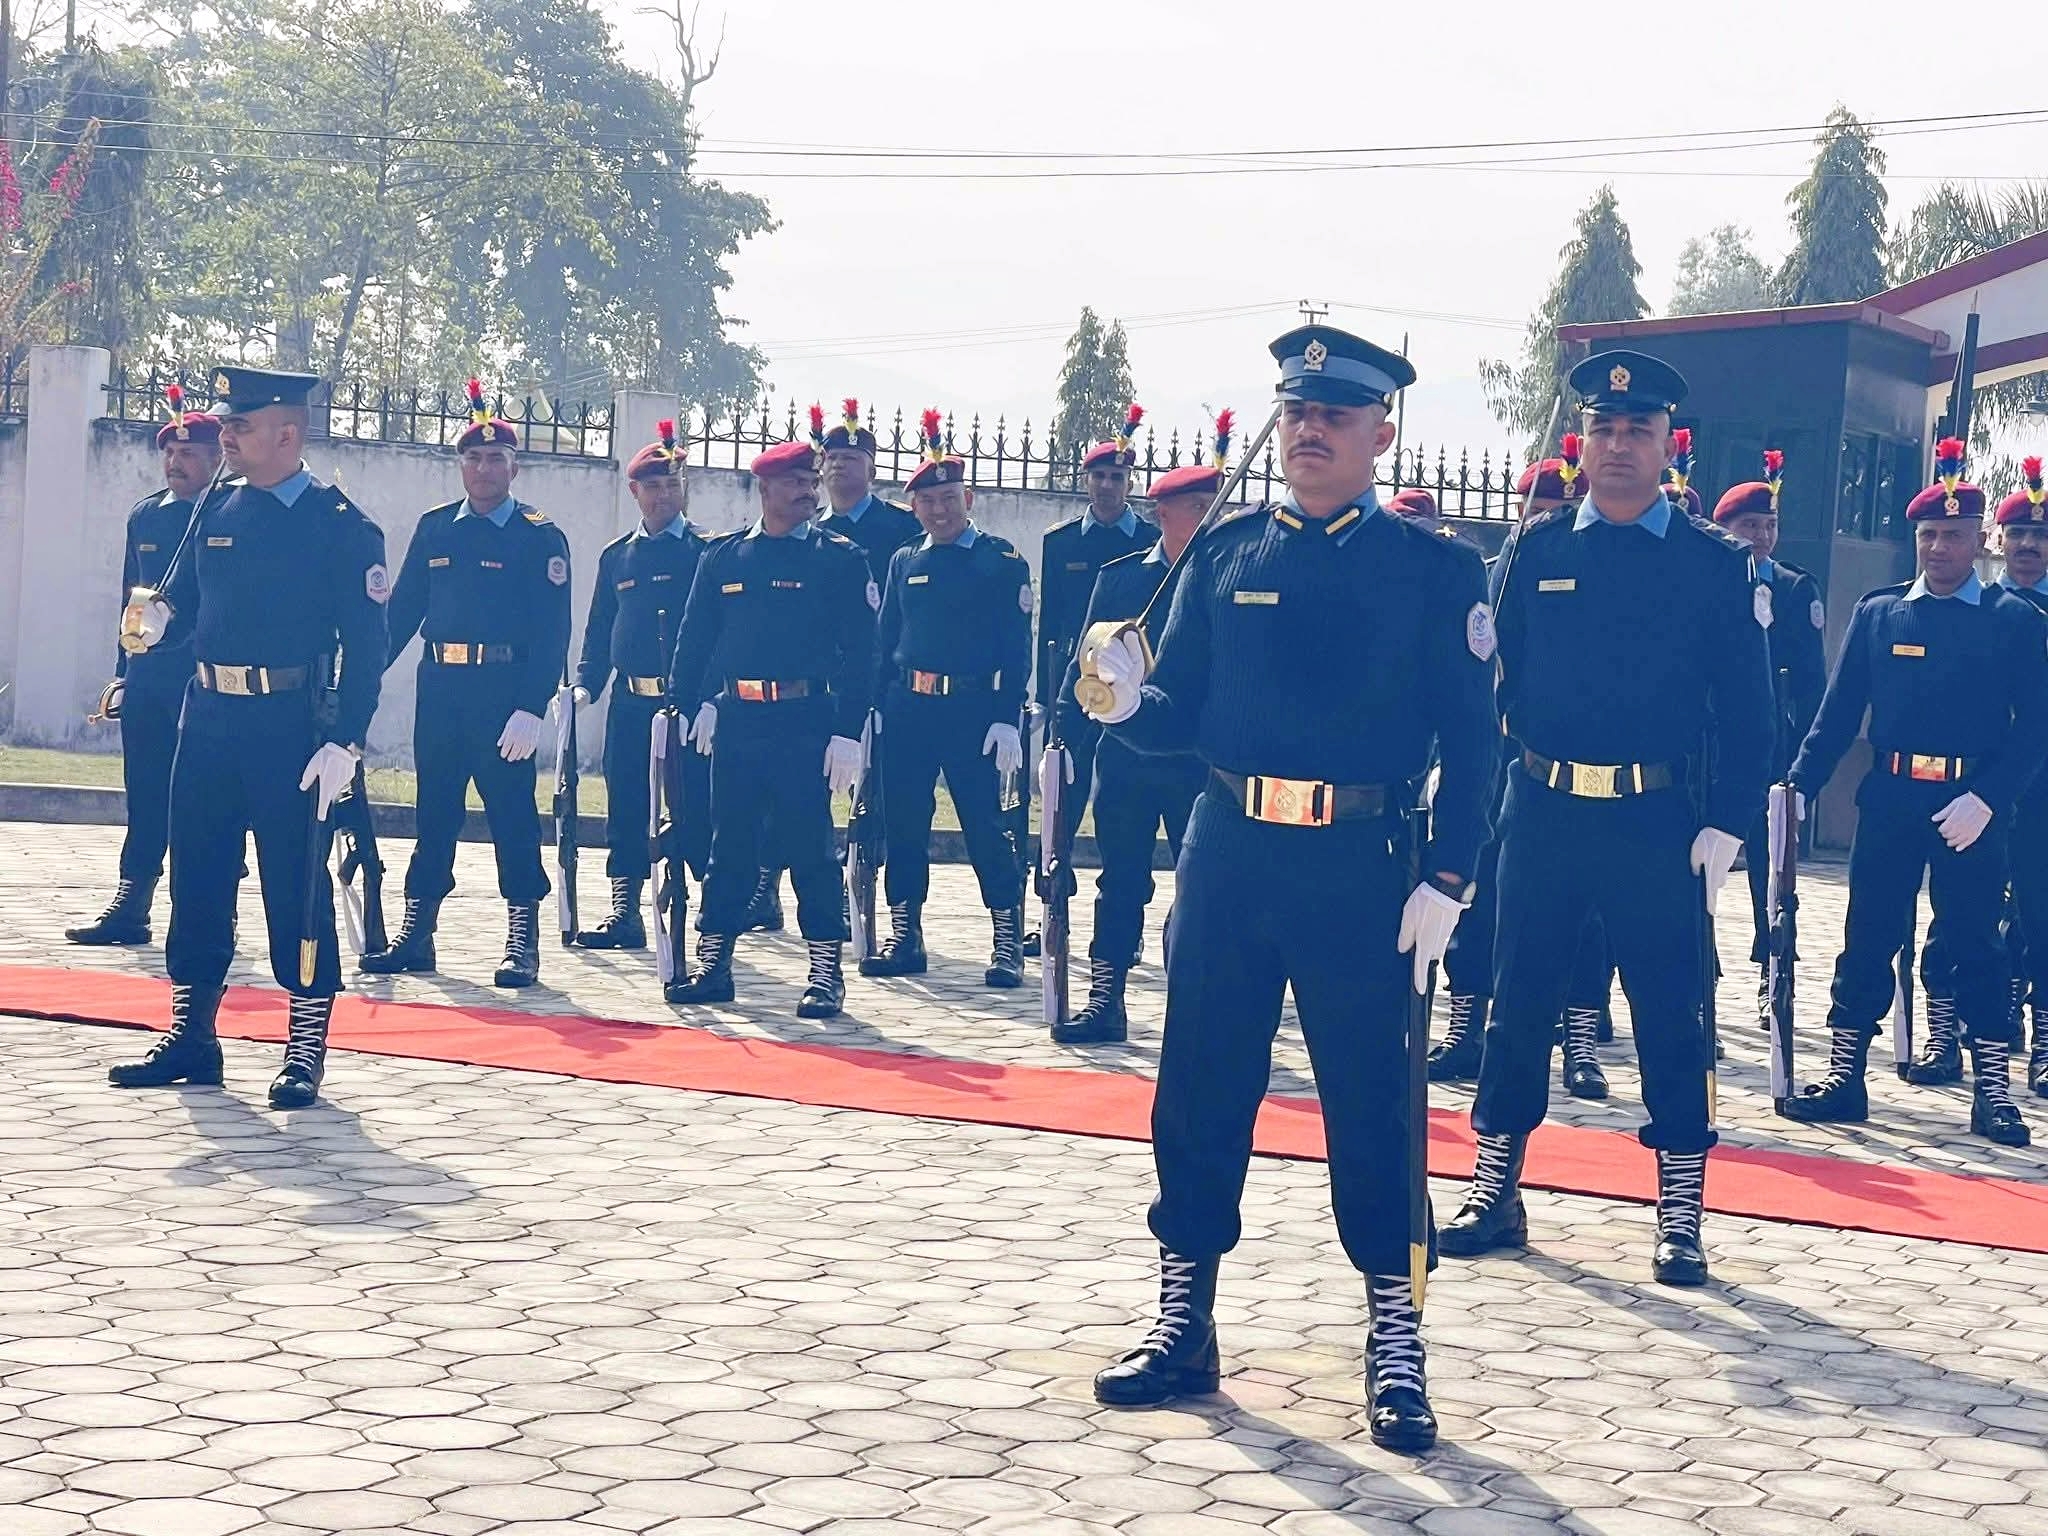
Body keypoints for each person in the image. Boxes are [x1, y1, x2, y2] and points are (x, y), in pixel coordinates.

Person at [1078, 326, 1496, 1454]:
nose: (1310, 430)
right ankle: (1184, 1316)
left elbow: (1475, 738)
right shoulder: (1227, 554)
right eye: (1297, 411)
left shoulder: (1432, 571)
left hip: (1361, 864)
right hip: (1230, 851)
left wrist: (1449, 875)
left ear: (1380, 434)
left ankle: (1395, 1334)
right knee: (1199, 1084)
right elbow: (1183, 714)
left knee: (1372, 1101)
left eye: (1335, 415)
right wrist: (1125, 700)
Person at [1439, 350, 1772, 1287]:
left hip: (1656, 818)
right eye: (1604, 428)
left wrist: (1729, 822)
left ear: (1668, 446)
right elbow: (1489, 688)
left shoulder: (1711, 564)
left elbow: (1752, 715)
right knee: (1517, 1003)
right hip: (1543, 810)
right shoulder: (1536, 552)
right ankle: (1496, 1188)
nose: (1619, 445)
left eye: (1639, 430)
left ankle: (1680, 1212)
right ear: (1579, 441)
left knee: (1671, 1011)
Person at [107, 366, 389, 1110]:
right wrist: (159, 623)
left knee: (295, 884)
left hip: (290, 726)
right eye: (227, 423)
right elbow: (189, 605)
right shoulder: (217, 506)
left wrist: (347, 742)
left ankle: (304, 1046)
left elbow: (367, 647)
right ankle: (192, 1034)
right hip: (208, 718)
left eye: (241, 425)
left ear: (287, 433)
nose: (226, 435)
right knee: (198, 873)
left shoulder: (339, 524)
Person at [1782, 443, 2048, 1148]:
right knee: (1868, 936)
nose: (1938, 548)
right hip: (1892, 797)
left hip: (1970, 807)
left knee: (1976, 945)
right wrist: (1800, 785)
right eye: (1928, 534)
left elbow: (2037, 727)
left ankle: (1993, 1092)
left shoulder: (2014, 619)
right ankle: (1845, 1073)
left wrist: (1990, 798)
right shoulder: (1880, 614)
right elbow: (1839, 714)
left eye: (1953, 535)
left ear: (1979, 539)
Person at [363, 381, 570, 987]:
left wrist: (532, 707)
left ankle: (522, 936)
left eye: (495, 458)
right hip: (441, 688)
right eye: (473, 458)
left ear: (515, 466)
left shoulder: (538, 535)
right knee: (434, 810)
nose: (484, 468)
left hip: (504, 694)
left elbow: (552, 631)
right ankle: (417, 931)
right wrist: (360, 678)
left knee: (511, 814)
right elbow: (403, 613)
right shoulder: (436, 529)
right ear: (460, 465)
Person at [660, 440, 877, 1014]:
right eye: (796, 483)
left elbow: (863, 654)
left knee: (810, 847)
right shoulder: (725, 558)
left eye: (811, 482)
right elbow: (694, 640)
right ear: (765, 488)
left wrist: (848, 731)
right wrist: (679, 708)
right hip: (739, 720)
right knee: (728, 843)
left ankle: (825, 971)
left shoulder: (838, 559)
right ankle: (714, 962)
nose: (809, 491)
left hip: (804, 721)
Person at [1047, 412, 1229, 1043]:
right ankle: (1107, 995)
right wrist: (1064, 740)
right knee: (1120, 879)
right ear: (1162, 514)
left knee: (1201, 883)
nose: (1210, 518)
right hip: (1125, 757)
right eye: (1198, 508)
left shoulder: (1227, 579)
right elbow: (1085, 661)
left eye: (1215, 506)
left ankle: (1199, 1001)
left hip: (1198, 760)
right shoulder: (1121, 578)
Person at [861, 410, 1033, 987]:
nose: (940, 510)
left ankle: (1006, 939)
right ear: (913, 507)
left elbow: (1016, 647)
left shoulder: (1000, 561)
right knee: (904, 823)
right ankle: (905, 934)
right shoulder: (904, 561)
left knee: (985, 824)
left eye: (949, 498)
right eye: (928, 501)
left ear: (970, 498)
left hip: (972, 713)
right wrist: (875, 708)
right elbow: (885, 642)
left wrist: (1006, 716)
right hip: (909, 709)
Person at [1432, 451, 1584, 1082]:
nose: (1543, 521)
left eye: (1557, 511)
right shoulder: (1487, 577)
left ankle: (1579, 1042)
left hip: (1558, 764)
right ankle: (1465, 1025)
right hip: (1497, 761)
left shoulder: (1588, 575)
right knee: (1480, 900)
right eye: (1535, 510)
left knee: (1579, 915)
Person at [68, 386, 222, 947]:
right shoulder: (147, 515)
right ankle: (133, 901)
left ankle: (210, 909)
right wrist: (123, 673)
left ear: (216, 459)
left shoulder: (229, 514)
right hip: (151, 678)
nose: (175, 463)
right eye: (170, 453)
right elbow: (130, 599)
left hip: (204, 681)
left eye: (189, 454)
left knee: (206, 800)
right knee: (146, 790)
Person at [570, 422, 711, 949]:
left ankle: (710, 910)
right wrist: (586, 686)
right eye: (653, 486)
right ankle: (625, 908)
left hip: (686, 705)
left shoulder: (705, 551)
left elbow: (719, 632)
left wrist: (712, 700)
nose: (664, 495)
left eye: (673, 484)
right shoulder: (617, 556)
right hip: (630, 701)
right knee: (626, 802)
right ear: (634, 491)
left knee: (696, 804)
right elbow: (599, 629)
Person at [1712, 456, 1827, 1027]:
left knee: (1773, 873)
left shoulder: (1794, 588)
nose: (1760, 536)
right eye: (1748, 525)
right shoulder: (1707, 582)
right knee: (1701, 869)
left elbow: (1812, 688)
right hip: (1710, 751)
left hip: (1772, 754)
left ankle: (1773, 969)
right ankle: (1701, 974)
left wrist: (1801, 766)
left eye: (1769, 525)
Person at [1036, 406, 1159, 812]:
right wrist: (1045, 698)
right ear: (1085, 479)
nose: (1107, 485)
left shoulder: (1150, 540)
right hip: (1074, 684)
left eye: (1117, 477)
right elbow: (1050, 622)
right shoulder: (1061, 542)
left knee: (1121, 800)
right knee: (1062, 800)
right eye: (1099, 476)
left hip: (1129, 680)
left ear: (1130, 482)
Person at [1992, 458, 2048, 1100]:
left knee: (2042, 908)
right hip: (1981, 782)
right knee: (1969, 909)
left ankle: (2044, 1041)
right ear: (2000, 540)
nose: (2029, 545)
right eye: (2020, 534)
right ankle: (1964, 1024)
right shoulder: (1981, 608)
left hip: (2045, 788)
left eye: (2041, 535)